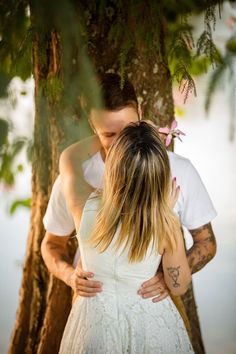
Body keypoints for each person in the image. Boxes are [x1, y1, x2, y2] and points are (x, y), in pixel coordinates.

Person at [41, 73, 217, 346]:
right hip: (131, 316)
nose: (123, 143)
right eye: (110, 134)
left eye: (129, 131)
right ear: (93, 127)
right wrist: (69, 276)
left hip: (115, 314)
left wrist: (165, 279)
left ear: (140, 115)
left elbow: (206, 243)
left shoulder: (83, 198)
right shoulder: (164, 213)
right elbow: (51, 244)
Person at [58, 121, 195, 353]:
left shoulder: (81, 205)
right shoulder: (165, 223)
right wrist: (169, 218)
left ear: (112, 166)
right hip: (151, 325)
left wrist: (106, 133)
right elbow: (178, 285)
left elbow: (68, 158)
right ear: (160, 176)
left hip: (94, 326)